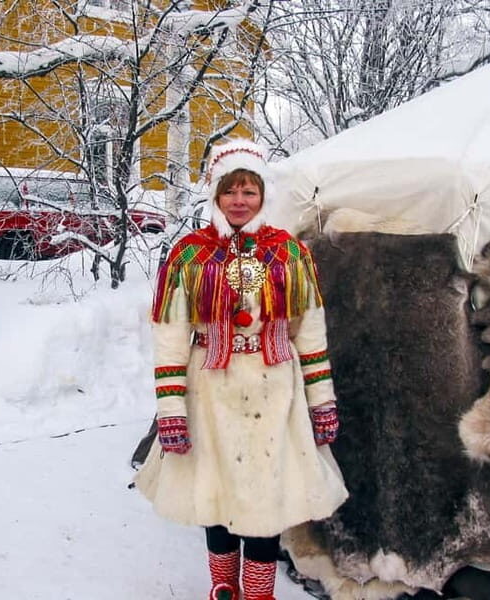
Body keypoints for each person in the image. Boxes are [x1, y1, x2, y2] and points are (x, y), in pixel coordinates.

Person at [134, 139, 348, 600]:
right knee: (215, 492)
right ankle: (223, 587)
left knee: (266, 497)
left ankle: (257, 593)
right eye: (230, 191)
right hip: (210, 390)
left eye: (248, 191)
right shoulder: (189, 256)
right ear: (214, 194)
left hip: (276, 393)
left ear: (263, 195)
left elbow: (310, 333)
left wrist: (321, 402)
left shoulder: (290, 254)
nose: (238, 201)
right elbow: (170, 336)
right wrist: (170, 408)